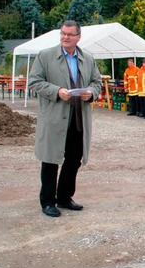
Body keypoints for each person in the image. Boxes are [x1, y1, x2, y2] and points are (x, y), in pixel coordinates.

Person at [29, 20, 102, 217]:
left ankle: (64, 197)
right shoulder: (46, 56)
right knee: (51, 159)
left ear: (78, 37)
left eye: (70, 34)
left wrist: (91, 93)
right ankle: (47, 201)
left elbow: (97, 82)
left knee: (73, 160)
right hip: (55, 118)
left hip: (78, 119)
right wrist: (57, 91)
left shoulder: (87, 58)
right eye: (63, 33)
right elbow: (34, 81)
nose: (65, 37)